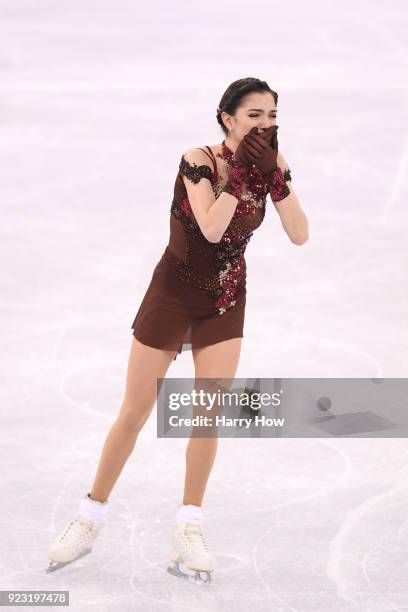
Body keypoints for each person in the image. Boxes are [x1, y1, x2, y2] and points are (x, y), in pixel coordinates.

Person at [46, 77, 308, 584]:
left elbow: (299, 233)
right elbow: (210, 228)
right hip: (172, 295)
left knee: (207, 415)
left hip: (224, 300)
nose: (267, 124)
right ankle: (88, 518)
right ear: (228, 119)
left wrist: (274, 177)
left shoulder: (271, 164)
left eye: (272, 115)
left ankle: (188, 526)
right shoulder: (198, 159)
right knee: (135, 412)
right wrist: (243, 178)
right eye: (255, 115)